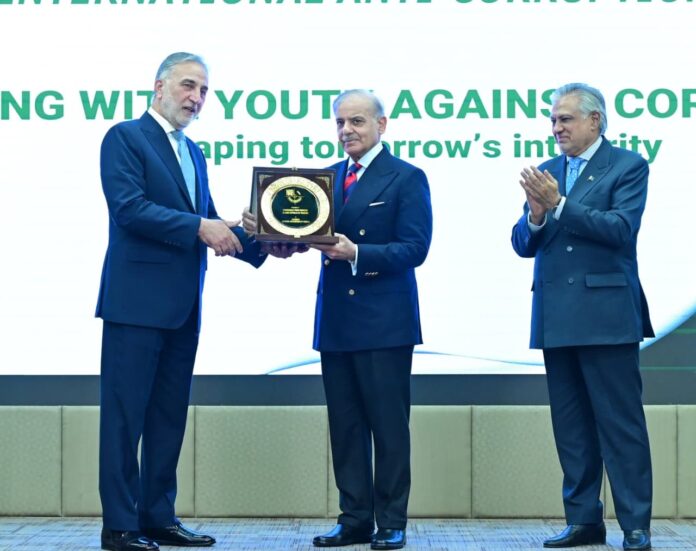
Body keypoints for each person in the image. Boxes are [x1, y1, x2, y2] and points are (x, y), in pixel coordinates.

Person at [96, 52, 264, 551]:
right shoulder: (125, 138)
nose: (197, 98)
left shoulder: (194, 153)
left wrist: (266, 241)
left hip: (183, 307)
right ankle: (120, 526)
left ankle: (158, 518)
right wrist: (200, 226)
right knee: (124, 419)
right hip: (135, 306)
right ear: (159, 86)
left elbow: (209, 220)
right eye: (189, 86)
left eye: (204, 91)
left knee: (168, 418)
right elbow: (130, 210)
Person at [511, 83, 653, 551]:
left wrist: (558, 205)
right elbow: (522, 243)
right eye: (553, 120)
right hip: (556, 315)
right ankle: (583, 520)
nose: (556, 128)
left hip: (606, 316)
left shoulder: (628, 165)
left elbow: (620, 230)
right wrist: (535, 215)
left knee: (620, 425)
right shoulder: (547, 171)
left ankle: (635, 524)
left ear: (595, 120)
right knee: (571, 428)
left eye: (566, 119)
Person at [310, 89, 433, 550]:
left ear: (382, 125)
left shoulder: (407, 177)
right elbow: (304, 232)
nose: (347, 131)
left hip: (385, 322)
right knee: (345, 428)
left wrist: (357, 252)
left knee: (388, 426)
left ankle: (392, 520)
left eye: (357, 121)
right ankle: (354, 519)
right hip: (337, 319)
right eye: (340, 123)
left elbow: (415, 248)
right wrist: (272, 234)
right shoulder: (324, 179)